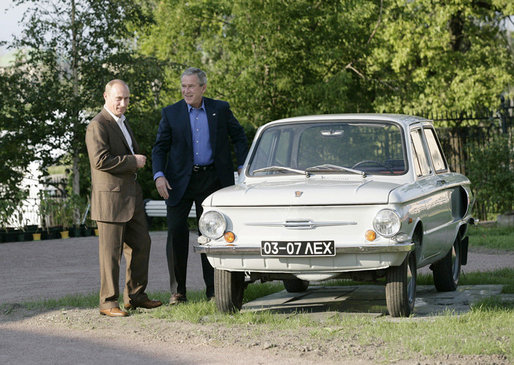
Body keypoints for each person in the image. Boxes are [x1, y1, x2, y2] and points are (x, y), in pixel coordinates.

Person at [152, 67, 248, 304]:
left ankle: (215, 290)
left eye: (191, 86)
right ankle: (178, 292)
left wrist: (243, 166)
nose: (186, 91)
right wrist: (158, 175)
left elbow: (239, 137)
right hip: (178, 182)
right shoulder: (171, 113)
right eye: (183, 86)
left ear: (203, 88)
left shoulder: (220, 109)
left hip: (213, 180)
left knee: (212, 233)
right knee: (176, 232)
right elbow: (159, 148)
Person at [85, 79, 162, 317]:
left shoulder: (122, 123)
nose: (123, 103)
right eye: (118, 98)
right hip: (110, 201)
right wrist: (133, 162)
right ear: (105, 96)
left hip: (131, 199)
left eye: (126, 98)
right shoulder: (97, 125)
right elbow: (100, 160)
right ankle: (108, 303)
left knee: (142, 244)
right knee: (110, 254)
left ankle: (135, 297)